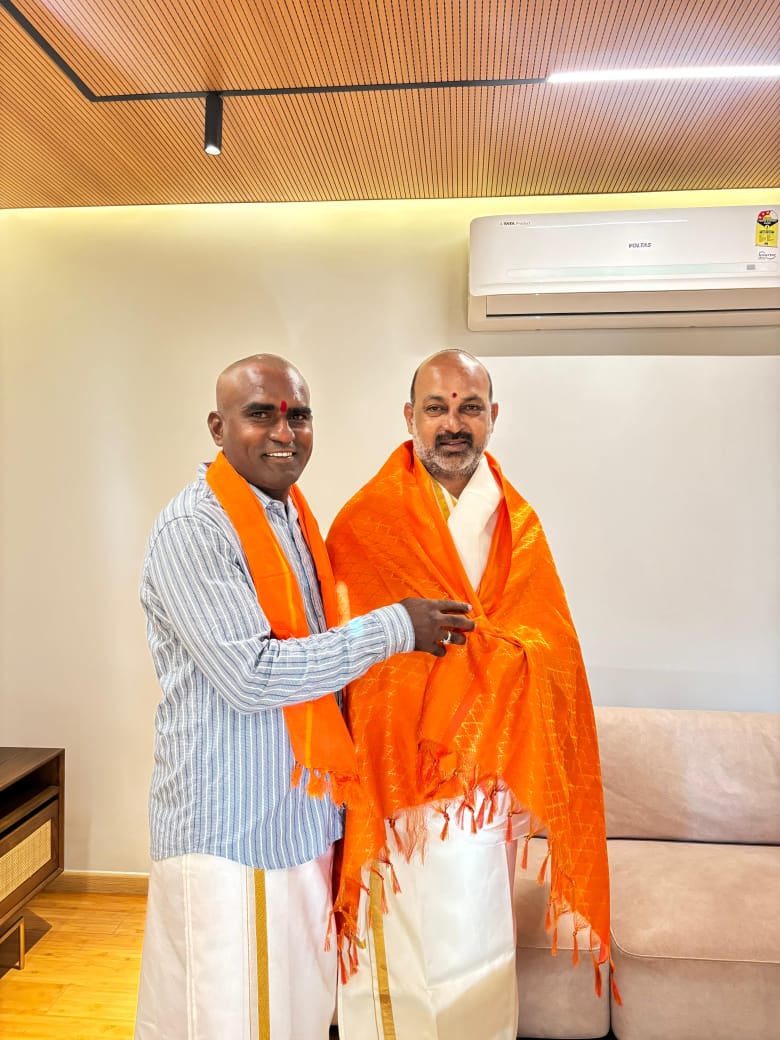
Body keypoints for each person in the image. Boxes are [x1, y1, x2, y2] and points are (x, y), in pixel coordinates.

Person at [134, 354, 475, 1040]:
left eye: (299, 416)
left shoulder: (289, 516)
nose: (284, 432)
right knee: (228, 1022)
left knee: (299, 1018)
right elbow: (252, 675)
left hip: (300, 823)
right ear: (218, 428)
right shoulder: (196, 528)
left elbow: (324, 659)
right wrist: (394, 627)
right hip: (230, 833)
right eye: (260, 414)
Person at [327, 349, 612, 1040]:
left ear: (492, 416)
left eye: (469, 408)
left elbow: (552, 646)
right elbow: (346, 653)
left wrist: (488, 661)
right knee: (395, 942)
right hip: (394, 773)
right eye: (437, 408)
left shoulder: (517, 522)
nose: (452, 424)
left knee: (474, 935)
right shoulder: (366, 521)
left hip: (483, 778)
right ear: (410, 417)